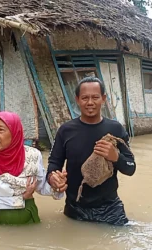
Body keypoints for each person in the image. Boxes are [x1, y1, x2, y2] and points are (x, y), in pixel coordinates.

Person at [46, 76, 136, 226]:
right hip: (75, 209)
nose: (90, 102)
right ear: (77, 99)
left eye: (95, 97)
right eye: (85, 98)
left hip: (111, 210)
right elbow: (54, 163)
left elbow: (131, 168)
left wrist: (116, 157)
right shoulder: (65, 131)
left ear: (103, 98)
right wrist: (52, 178)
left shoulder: (115, 129)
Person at [0, 111, 64, 225]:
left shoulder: (33, 155)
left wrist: (55, 184)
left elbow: (41, 187)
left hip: (29, 216)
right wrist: (22, 198)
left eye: (1, 130)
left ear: (14, 132)